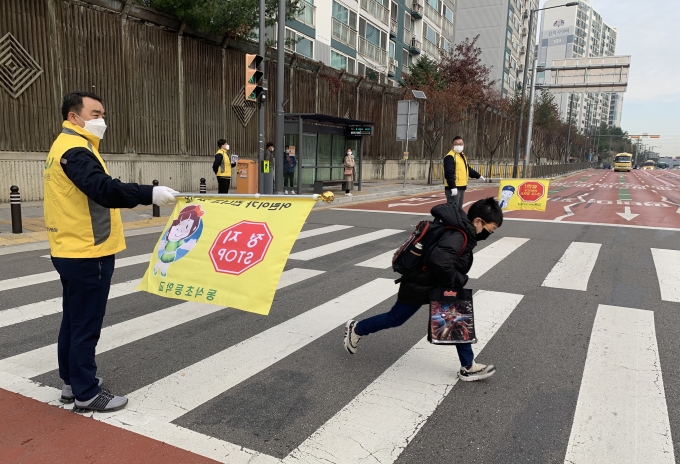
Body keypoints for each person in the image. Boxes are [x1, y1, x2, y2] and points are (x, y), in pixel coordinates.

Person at [44, 91, 178, 412]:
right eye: (95, 114)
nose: (101, 120)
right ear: (74, 117)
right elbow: (103, 189)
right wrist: (149, 192)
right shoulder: (75, 150)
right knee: (86, 322)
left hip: (70, 247)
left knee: (74, 320)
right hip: (88, 251)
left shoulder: (67, 147)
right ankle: (86, 392)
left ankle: (71, 382)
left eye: (102, 114)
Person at [343, 198, 503, 381]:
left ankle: (468, 366)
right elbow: (439, 260)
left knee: (457, 320)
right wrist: (455, 280)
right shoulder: (459, 235)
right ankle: (357, 328)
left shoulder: (463, 231)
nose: (490, 232)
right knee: (396, 318)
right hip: (421, 283)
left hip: (433, 282)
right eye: (492, 228)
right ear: (478, 221)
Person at [444, 136, 484, 207]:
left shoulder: (462, 156)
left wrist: (478, 175)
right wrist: (452, 186)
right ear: (452, 145)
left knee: (459, 208)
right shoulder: (450, 157)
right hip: (454, 186)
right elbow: (449, 172)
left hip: (462, 186)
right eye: (456, 144)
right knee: (453, 209)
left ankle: (458, 218)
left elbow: (467, 169)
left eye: (460, 144)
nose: (458, 146)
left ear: (463, 145)